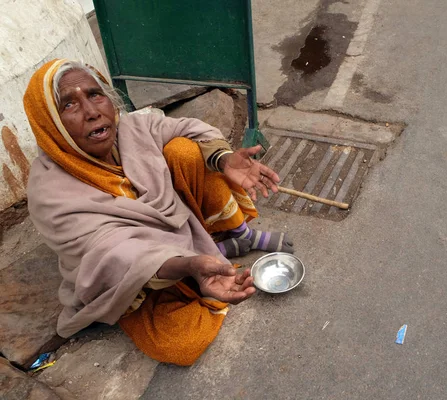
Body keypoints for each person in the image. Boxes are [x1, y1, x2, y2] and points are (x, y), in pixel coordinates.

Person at [23, 59, 293, 366]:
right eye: (69, 104)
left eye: (95, 95)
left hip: (178, 233)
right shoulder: (49, 193)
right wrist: (188, 265)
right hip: (139, 273)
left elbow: (185, 127)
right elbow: (113, 255)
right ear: (49, 124)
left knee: (186, 150)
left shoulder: (131, 129)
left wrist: (224, 159)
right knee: (180, 345)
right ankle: (209, 253)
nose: (91, 112)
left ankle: (237, 237)